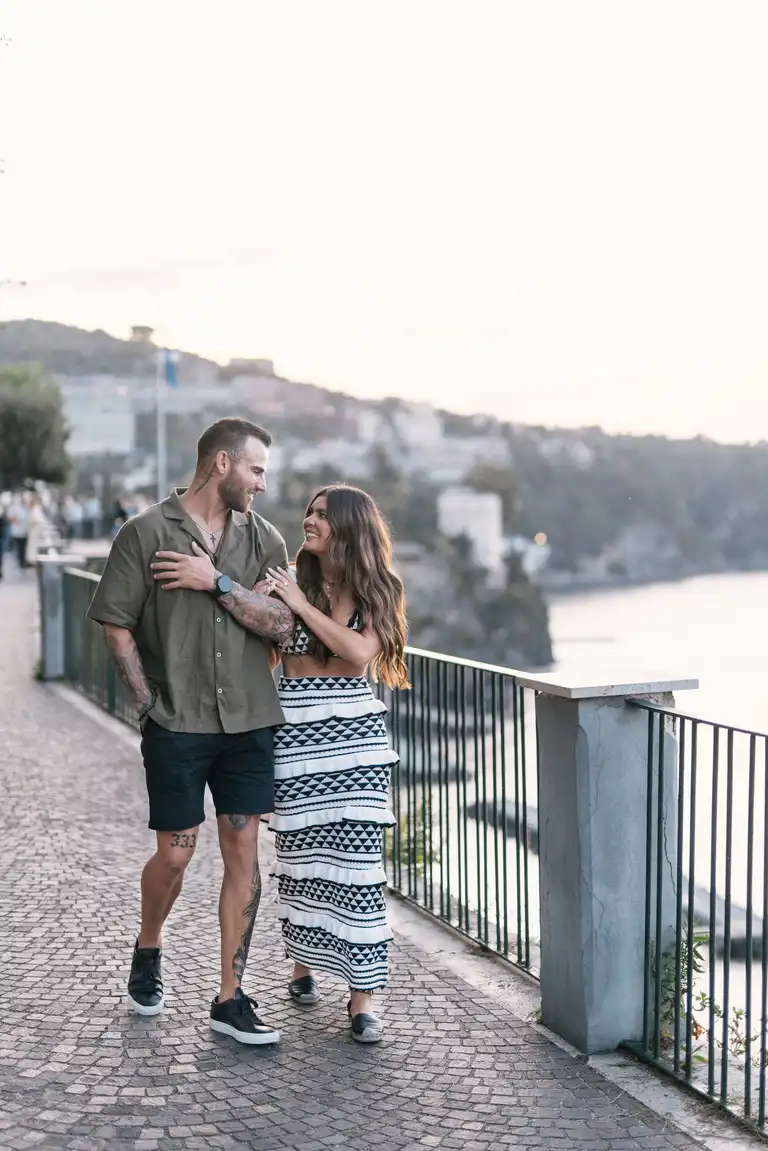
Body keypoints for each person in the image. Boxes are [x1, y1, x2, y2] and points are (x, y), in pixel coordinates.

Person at [151, 483, 409, 1044]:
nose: (309, 520)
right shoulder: (287, 577)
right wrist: (233, 590)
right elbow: (258, 636)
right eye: (310, 512)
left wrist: (297, 605)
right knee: (302, 860)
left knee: (359, 865)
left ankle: (363, 996)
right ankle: (303, 963)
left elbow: (358, 653)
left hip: (355, 740)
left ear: (349, 526)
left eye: (322, 515)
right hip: (293, 731)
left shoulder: (378, 587)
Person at [86, 417, 295, 1046]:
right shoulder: (145, 532)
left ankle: (230, 997)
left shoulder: (265, 539)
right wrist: (148, 703)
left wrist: (218, 583)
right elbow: (117, 624)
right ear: (222, 463)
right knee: (176, 852)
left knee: (243, 850)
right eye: (256, 470)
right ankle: (149, 944)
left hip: (249, 720)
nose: (262, 483)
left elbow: (284, 625)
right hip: (177, 721)